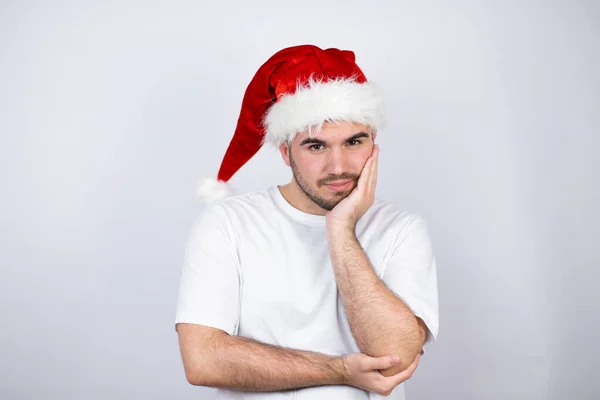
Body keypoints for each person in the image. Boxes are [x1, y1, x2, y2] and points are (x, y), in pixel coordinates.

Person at [174, 44, 439, 400]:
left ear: (374, 143)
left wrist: (341, 228)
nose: (339, 167)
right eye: (316, 146)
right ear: (285, 151)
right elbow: (203, 361)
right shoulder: (228, 224)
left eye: (354, 142)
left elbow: (394, 358)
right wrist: (340, 370)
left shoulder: (402, 229)